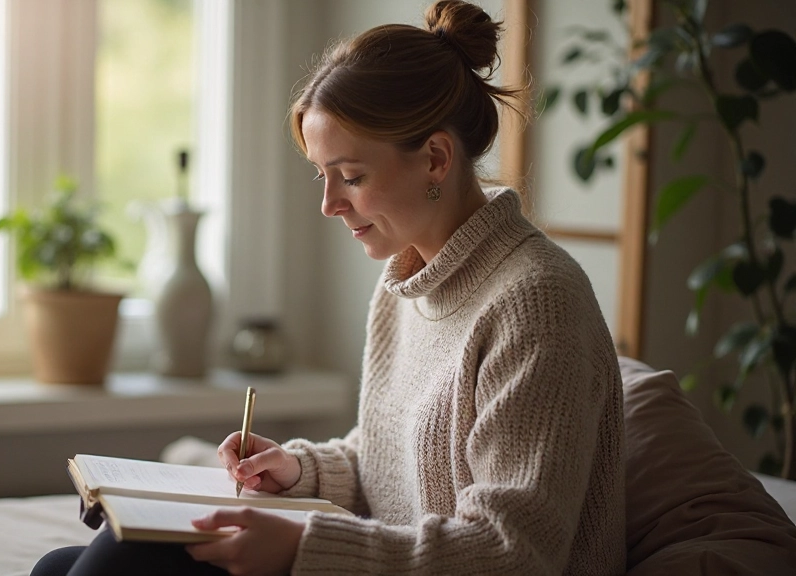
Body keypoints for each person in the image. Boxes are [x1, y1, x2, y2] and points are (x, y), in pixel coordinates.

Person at [31, 1, 625, 574]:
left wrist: (303, 547)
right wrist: (296, 470)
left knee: (119, 561)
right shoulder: (406, 283)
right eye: (322, 175)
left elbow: (514, 554)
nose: (329, 203)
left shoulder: (536, 303)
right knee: (60, 565)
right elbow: (385, 466)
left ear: (436, 159)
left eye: (351, 176)